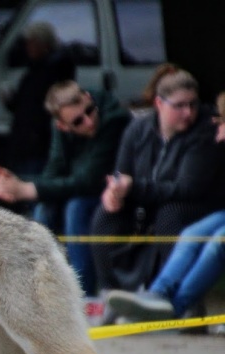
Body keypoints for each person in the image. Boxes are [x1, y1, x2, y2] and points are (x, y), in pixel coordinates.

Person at [90, 70, 224, 321]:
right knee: (103, 216)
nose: (189, 112)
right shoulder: (138, 128)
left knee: (172, 214)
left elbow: (188, 188)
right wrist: (115, 192)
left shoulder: (206, 130)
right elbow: (122, 172)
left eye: (193, 104)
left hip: (197, 204)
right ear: (159, 104)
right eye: (180, 106)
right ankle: (113, 295)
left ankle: (169, 301)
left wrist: (133, 187)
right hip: (147, 200)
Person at [0, 81, 131, 298]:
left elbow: (88, 180)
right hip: (86, 191)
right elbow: (53, 174)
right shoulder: (61, 130)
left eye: (90, 111)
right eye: (78, 121)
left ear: (89, 98)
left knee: (75, 207)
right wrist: (17, 183)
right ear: (62, 126)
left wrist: (27, 189)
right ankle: (33, 291)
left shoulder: (114, 120)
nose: (89, 121)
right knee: (45, 207)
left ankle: (83, 295)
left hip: (117, 196)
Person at [2, 21, 76, 175]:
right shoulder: (32, 71)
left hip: (39, 144)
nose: (29, 47)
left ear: (45, 44)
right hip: (24, 143)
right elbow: (23, 106)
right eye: (27, 43)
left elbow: (43, 109)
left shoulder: (55, 72)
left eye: (33, 42)